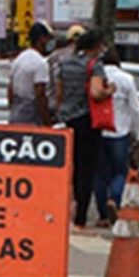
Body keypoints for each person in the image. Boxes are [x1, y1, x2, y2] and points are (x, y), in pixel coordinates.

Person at [50, 28, 108, 230]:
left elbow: (58, 93)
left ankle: (65, 209)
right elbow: (96, 91)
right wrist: (109, 91)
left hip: (66, 120)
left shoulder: (64, 64)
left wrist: (59, 112)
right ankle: (81, 216)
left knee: (69, 169)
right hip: (87, 121)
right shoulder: (95, 65)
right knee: (87, 170)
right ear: (95, 47)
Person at [93, 49, 139, 222]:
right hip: (120, 133)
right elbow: (135, 109)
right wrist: (137, 133)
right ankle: (114, 198)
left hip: (98, 131)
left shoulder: (95, 78)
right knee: (119, 172)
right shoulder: (127, 79)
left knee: (99, 174)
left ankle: (102, 215)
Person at [8, 22, 52, 125]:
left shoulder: (19, 59)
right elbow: (40, 94)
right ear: (42, 38)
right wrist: (47, 122)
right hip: (31, 116)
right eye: (47, 38)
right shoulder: (40, 63)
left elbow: (10, 89)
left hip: (16, 113)